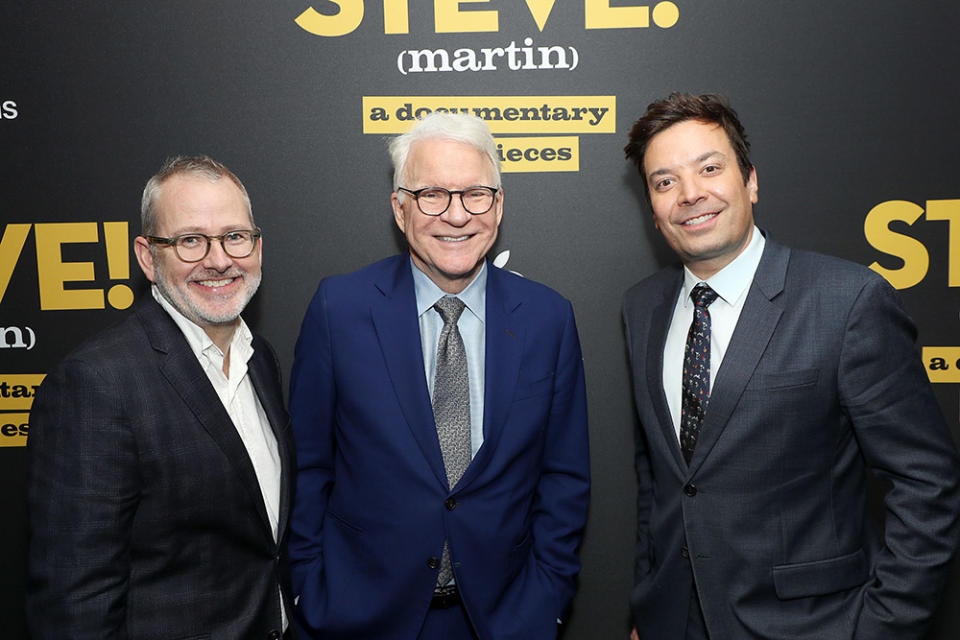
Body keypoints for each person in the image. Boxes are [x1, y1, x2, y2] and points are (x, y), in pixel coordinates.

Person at [621, 92, 960, 639]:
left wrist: (883, 629)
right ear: (653, 209)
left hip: (812, 625)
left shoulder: (848, 301)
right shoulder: (642, 308)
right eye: (665, 182)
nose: (690, 194)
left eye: (710, 168)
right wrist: (648, 606)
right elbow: (661, 482)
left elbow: (926, 484)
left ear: (750, 180)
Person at [288, 112, 590, 640]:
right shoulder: (340, 308)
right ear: (400, 209)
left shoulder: (548, 318)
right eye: (431, 194)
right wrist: (311, 593)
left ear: (498, 205)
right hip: (361, 620)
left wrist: (546, 602)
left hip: (502, 620)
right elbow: (309, 468)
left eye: (475, 194)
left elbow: (563, 479)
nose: (456, 215)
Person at [26, 156, 295, 640]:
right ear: (149, 257)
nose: (219, 259)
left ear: (257, 246)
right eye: (191, 240)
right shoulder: (96, 383)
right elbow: (75, 599)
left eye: (235, 236)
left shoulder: (262, 360)